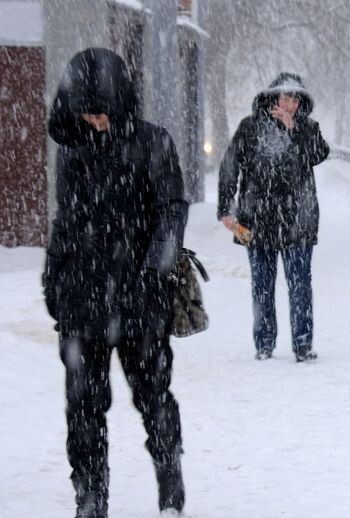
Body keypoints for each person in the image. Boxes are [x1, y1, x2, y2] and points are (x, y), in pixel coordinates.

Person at [43, 48, 189, 518]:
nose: (95, 120)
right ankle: (90, 497)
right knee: (82, 408)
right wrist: (54, 275)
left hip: (140, 296)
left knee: (153, 395)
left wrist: (156, 266)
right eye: (86, 112)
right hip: (82, 299)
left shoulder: (153, 142)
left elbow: (172, 208)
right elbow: (66, 220)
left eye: (102, 111)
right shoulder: (73, 150)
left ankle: (170, 477)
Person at [217, 73, 329, 362]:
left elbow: (319, 154)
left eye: (295, 98)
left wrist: (293, 130)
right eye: (285, 97)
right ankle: (264, 342)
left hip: (299, 219)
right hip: (254, 219)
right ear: (273, 98)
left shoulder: (308, 128)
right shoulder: (250, 127)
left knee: (300, 284)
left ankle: (303, 344)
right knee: (261, 285)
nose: (290, 104)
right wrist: (225, 209)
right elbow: (230, 165)